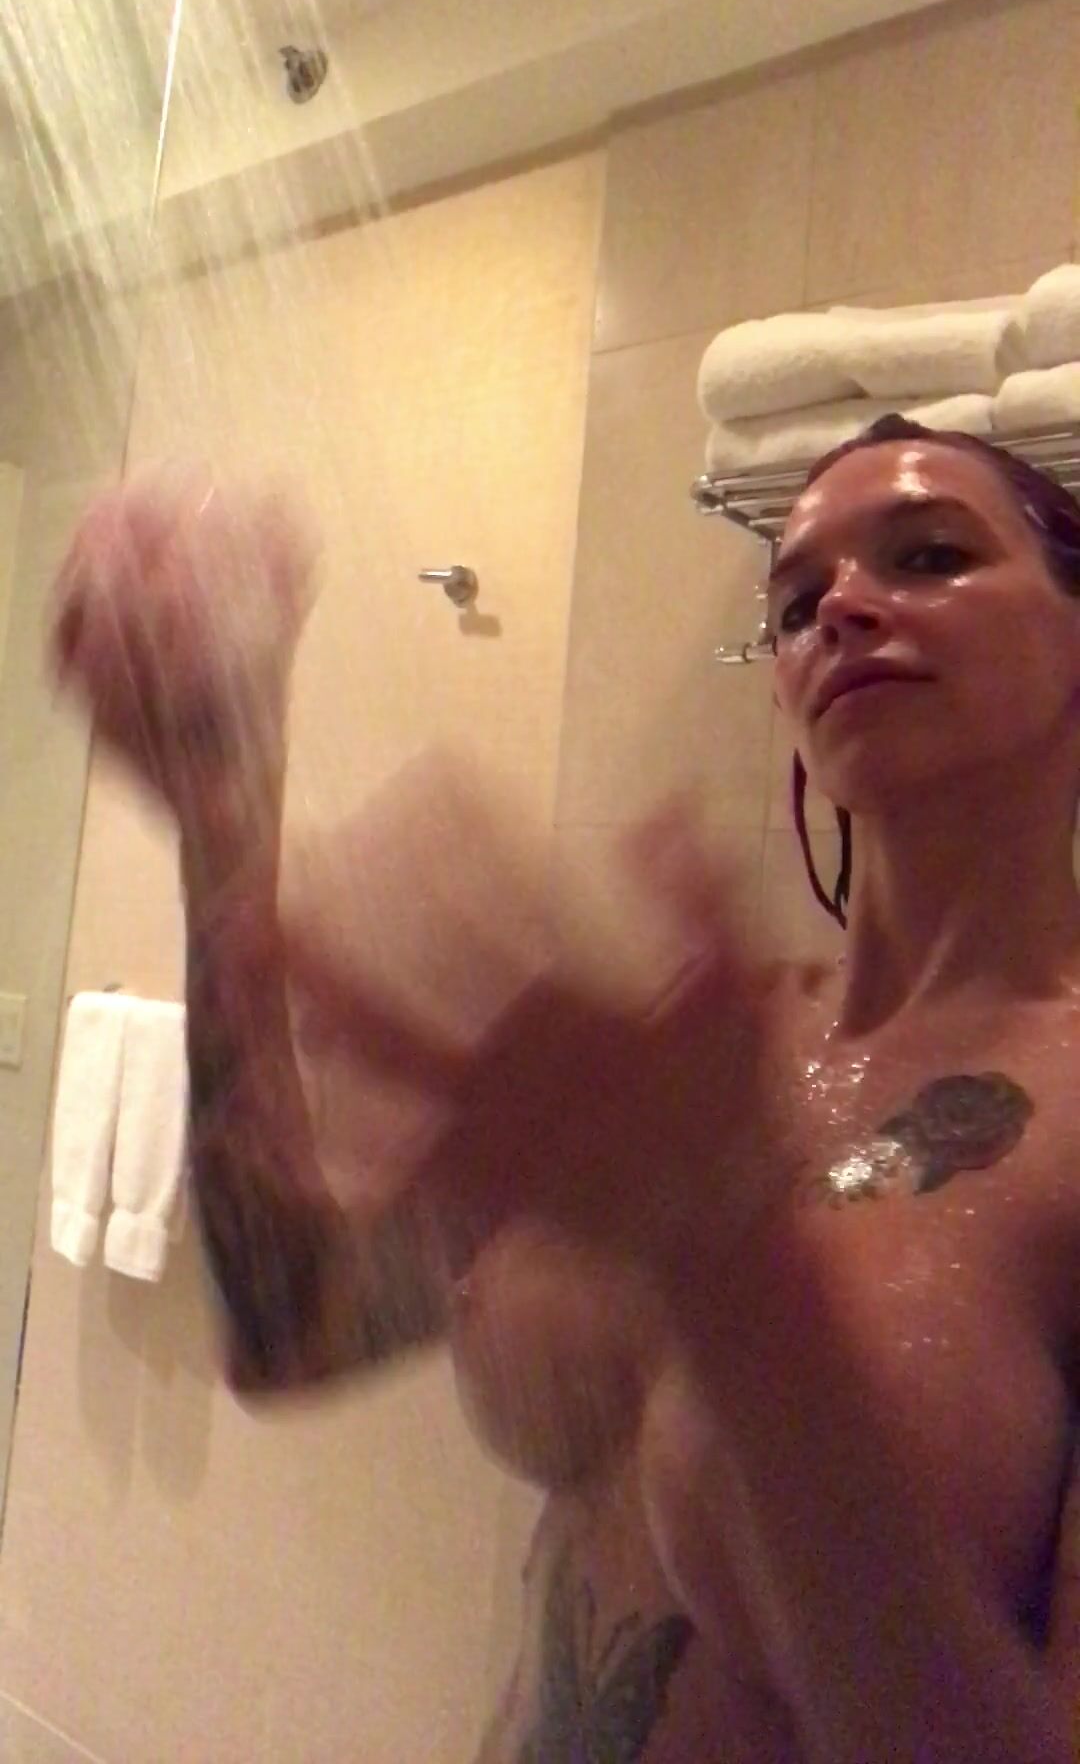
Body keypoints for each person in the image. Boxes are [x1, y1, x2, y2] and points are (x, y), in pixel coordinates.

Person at [52, 414, 1080, 1761]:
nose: (839, 607)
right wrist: (221, 806)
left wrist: (731, 1276)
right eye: (794, 601)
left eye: (931, 555)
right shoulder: (697, 1052)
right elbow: (293, 1325)